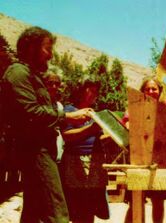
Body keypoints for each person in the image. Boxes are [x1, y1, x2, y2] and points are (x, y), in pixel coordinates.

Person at [2, 26, 92, 223]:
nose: (51, 55)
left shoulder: (31, 75)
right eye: (47, 48)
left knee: (32, 214)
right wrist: (68, 117)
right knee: (58, 214)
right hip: (36, 152)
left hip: (41, 151)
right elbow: (31, 113)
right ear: (32, 47)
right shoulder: (18, 73)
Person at [124, 77, 166, 223]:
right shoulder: (134, 107)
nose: (151, 91)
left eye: (154, 88)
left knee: (158, 201)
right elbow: (127, 124)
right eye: (147, 89)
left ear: (160, 91)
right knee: (136, 201)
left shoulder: (164, 106)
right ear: (142, 91)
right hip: (139, 159)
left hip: (158, 161)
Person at [59, 78, 110, 223]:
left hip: (95, 163)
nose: (95, 94)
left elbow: (96, 137)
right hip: (76, 163)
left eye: (96, 92)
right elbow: (67, 136)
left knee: (90, 207)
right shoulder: (69, 110)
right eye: (91, 90)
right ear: (81, 91)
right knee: (77, 206)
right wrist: (90, 129)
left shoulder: (95, 114)